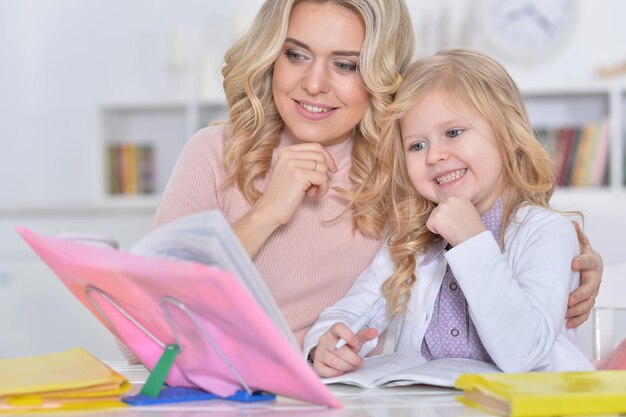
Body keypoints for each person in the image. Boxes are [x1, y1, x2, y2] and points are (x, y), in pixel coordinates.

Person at [150, 1, 601, 349]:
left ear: (379, 74)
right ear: (271, 57)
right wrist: (267, 213)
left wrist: (575, 263)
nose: (313, 83)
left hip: (346, 397)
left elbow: (496, 223)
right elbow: (143, 324)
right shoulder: (214, 153)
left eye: (345, 64)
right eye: (297, 55)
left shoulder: (406, 169)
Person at [305, 49, 594, 376]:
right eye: (417, 145)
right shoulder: (413, 241)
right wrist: (323, 345)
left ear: (509, 134)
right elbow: (356, 307)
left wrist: (471, 241)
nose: (434, 156)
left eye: (453, 133)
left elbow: (523, 355)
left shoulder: (545, 232)